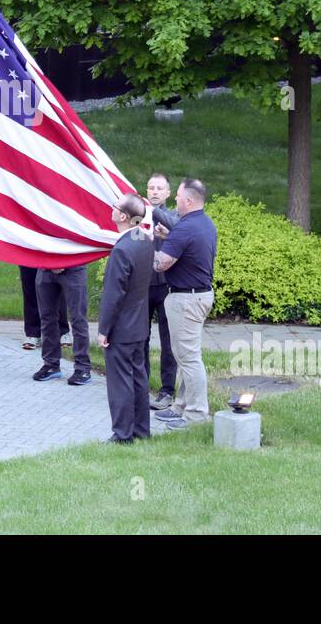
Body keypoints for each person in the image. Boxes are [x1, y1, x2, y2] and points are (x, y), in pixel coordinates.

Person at [152, 178, 217, 429]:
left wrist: (143, 246)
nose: (176, 199)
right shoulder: (203, 223)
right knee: (184, 355)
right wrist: (170, 237)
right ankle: (180, 406)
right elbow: (189, 249)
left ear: (189, 200)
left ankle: (197, 415)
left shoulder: (185, 228)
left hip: (186, 300)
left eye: (178, 196)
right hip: (198, 295)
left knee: (189, 358)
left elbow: (161, 264)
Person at [98, 194, 155, 442]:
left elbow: (113, 295)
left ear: (123, 216)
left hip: (122, 328)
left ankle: (122, 434)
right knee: (139, 379)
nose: (111, 209)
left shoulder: (122, 249)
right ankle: (141, 429)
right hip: (139, 325)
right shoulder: (144, 240)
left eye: (115, 207)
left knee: (120, 382)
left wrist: (103, 330)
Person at [144, 173, 179, 410]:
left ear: (168, 193)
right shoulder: (140, 219)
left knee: (168, 342)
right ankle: (140, 386)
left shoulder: (174, 217)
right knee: (139, 338)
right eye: (151, 188)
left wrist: (152, 211)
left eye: (159, 188)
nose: (155, 192)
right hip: (143, 286)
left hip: (167, 287)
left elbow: (176, 230)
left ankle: (167, 390)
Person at [31, 264, 91, 385]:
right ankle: (50, 365)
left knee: (78, 319)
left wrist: (63, 263)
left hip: (74, 268)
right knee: (47, 318)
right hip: (45, 267)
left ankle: (83, 368)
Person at [20, 265, 69, 350]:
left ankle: (62, 331)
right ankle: (32, 333)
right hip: (31, 253)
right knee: (29, 281)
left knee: (57, 282)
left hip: (54, 252)